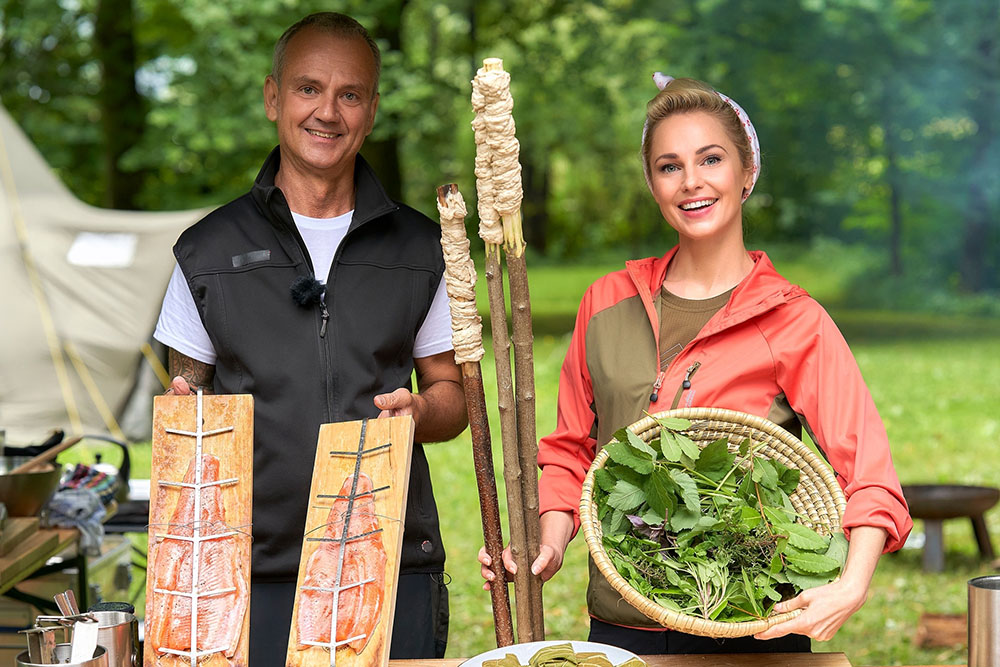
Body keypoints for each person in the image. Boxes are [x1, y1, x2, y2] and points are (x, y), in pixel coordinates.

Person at [479, 75, 912, 653]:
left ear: (747, 173)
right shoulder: (606, 304)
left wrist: (850, 585)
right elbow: (570, 452)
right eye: (669, 166)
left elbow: (871, 477)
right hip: (620, 623)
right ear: (652, 183)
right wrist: (548, 544)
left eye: (711, 159)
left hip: (750, 624)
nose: (692, 182)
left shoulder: (793, 320)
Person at [153, 12, 467, 662]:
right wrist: (186, 410)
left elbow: (450, 394)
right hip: (250, 573)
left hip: (391, 566)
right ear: (274, 97)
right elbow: (187, 398)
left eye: (349, 94)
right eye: (307, 89)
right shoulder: (206, 253)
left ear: (372, 110)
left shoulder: (419, 250)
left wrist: (418, 413)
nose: (328, 111)